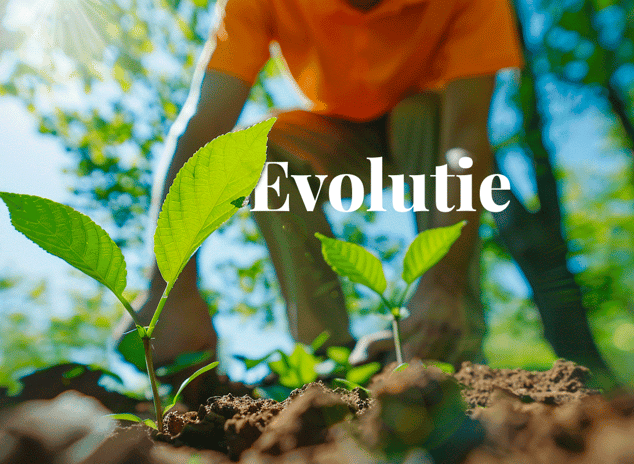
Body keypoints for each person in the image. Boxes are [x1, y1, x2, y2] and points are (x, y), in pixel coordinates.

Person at [116, 0, 525, 371]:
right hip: (338, 138)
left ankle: (448, 345)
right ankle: (328, 360)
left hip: (430, 130)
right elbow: (202, 126)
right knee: (257, 151)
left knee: (420, 115)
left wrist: (443, 284)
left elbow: (464, 141)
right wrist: (169, 289)